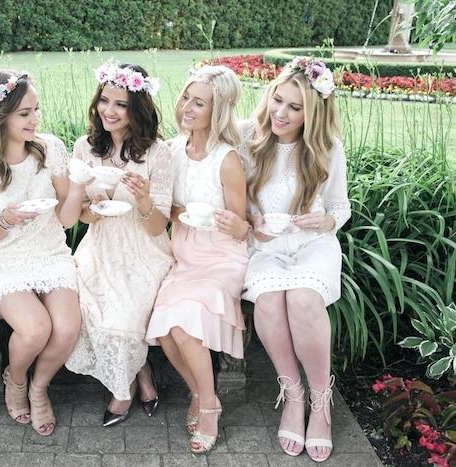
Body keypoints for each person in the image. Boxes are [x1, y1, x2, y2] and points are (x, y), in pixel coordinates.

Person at [0, 70, 84, 436]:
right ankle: (15, 380)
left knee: (66, 328)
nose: (35, 120)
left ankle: (39, 386)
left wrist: (79, 187)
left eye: (36, 110)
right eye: (24, 113)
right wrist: (7, 220)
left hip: (50, 254)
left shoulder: (51, 148)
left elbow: (65, 219)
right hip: (4, 260)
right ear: (0, 116)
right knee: (34, 329)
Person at [238, 57, 350, 463]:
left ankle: (322, 400)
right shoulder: (249, 138)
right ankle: (294, 394)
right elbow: (236, 199)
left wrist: (328, 219)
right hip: (265, 245)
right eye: (277, 101)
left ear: (313, 112)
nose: (281, 113)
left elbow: (341, 206)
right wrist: (253, 222)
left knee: (302, 299)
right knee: (269, 301)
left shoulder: (327, 149)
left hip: (312, 244)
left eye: (295, 107)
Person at [145, 65, 251, 453]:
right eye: (186, 97)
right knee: (166, 331)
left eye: (199, 102)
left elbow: (243, 228)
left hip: (221, 257)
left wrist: (230, 222)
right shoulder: (172, 151)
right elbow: (168, 209)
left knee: (185, 325)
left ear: (217, 110)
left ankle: (208, 405)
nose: (187, 107)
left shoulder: (228, 160)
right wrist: (175, 212)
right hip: (184, 253)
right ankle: (199, 392)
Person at [65, 62, 174, 427]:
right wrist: (91, 211)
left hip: (144, 249)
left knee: (124, 313)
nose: (108, 111)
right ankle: (140, 378)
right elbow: (81, 215)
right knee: (81, 302)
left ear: (137, 109)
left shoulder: (159, 154)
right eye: (104, 101)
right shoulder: (84, 148)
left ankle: (121, 392)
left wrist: (143, 201)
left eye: (121, 105)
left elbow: (158, 225)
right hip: (100, 245)